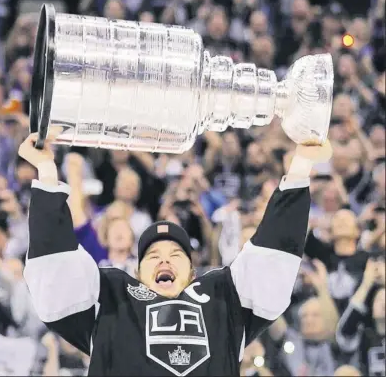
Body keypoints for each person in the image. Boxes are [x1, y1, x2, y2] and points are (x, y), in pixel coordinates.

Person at [19, 129, 332, 376]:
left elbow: (272, 254)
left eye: (176, 255)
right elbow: (55, 266)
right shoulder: (111, 297)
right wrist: (47, 169)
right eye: (153, 256)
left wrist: (301, 166)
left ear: (194, 273)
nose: (164, 259)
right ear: (138, 273)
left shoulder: (224, 297)